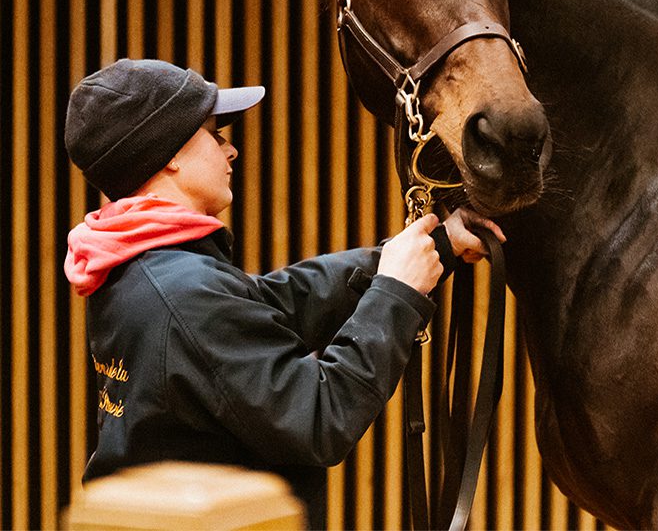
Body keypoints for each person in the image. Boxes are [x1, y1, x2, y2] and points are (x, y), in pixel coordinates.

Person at [63, 58, 504, 527]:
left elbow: (275, 303)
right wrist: (396, 293)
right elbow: (319, 416)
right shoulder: (187, 295)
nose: (229, 150)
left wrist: (434, 247)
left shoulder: (133, 265)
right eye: (213, 135)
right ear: (169, 152)